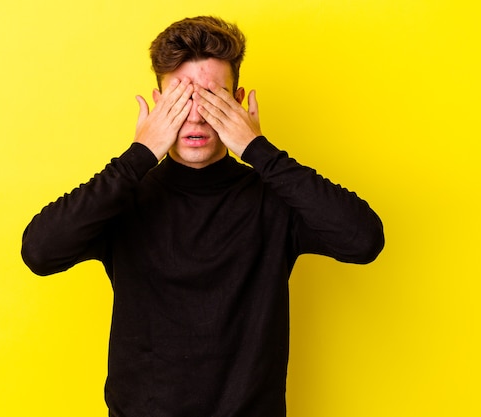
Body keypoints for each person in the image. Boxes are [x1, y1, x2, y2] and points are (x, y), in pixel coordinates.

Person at [21, 16, 384, 417]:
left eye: (213, 98)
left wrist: (258, 149)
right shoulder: (123, 197)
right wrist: (139, 156)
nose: (195, 116)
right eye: (180, 100)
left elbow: (363, 240)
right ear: (158, 105)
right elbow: (39, 251)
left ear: (240, 101)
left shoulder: (276, 198)